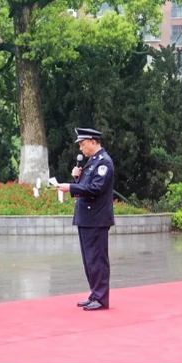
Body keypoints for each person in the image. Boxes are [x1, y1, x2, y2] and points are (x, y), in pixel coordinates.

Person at [58, 127, 115, 311]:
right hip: (86, 218)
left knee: (97, 259)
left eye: (83, 144)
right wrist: (77, 179)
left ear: (93, 141)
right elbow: (85, 187)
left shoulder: (103, 162)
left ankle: (101, 298)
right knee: (89, 260)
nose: (81, 149)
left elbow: (95, 189)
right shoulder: (92, 163)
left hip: (96, 219)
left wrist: (71, 188)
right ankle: (95, 294)